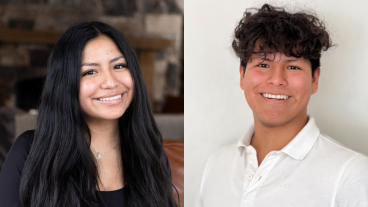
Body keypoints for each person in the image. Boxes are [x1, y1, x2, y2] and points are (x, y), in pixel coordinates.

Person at [196, 4, 368, 207]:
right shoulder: (215, 163)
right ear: (242, 76)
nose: (277, 80)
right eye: (263, 64)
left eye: (293, 66)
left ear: (314, 79)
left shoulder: (351, 173)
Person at [0, 21, 178, 207]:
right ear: (66, 84)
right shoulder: (29, 153)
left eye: (118, 66)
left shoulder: (149, 153)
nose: (110, 82)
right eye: (90, 71)